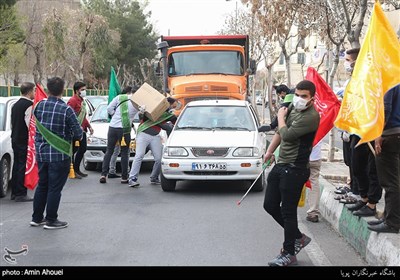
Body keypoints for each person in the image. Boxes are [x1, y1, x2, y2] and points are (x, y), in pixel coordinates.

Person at [263, 80, 320, 266]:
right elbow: (280, 134)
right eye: (297, 95)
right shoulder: (293, 110)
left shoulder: (311, 116)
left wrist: (280, 115)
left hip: (295, 169)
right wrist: (270, 151)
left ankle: (289, 252)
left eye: (304, 96)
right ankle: (298, 237)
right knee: (270, 205)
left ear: (312, 98)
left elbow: (286, 133)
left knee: (288, 212)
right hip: (281, 164)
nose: (299, 99)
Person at [31, 77, 83, 229]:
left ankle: (37, 218)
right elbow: (78, 133)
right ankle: (51, 220)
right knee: (54, 188)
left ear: (48, 89)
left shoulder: (39, 105)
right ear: (62, 90)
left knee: (42, 185)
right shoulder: (66, 109)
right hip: (59, 155)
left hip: (41, 153)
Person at [368, 84, 400, 234]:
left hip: (390, 135)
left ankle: (392, 223)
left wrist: (378, 134)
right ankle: (388, 217)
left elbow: (385, 108)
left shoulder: (391, 80)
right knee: (394, 180)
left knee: (390, 182)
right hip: (396, 135)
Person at [128, 97, 178, 187]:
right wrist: (142, 112)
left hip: (155, 136)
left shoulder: (167, 115)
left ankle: (154, 177)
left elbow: (176, 122)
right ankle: (132, 178)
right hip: (143, 135)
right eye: (172, 105)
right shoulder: (153, 111)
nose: (172, 108)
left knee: (159, 159)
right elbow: (143, 117)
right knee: (139, 155)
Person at [99, 89, 139, 184]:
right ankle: (124, 177)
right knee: (125, 153)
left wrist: (115, 116)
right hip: (124, 130)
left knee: (109, 151)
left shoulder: (119, 97)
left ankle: (103, 174)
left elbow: (109, 109)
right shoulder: (137, 103)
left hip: (113, 127)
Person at [10, 82, 36, 202]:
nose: (35, 93)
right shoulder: (29, 105)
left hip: (15, 138)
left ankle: (14, 192)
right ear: (30, 91)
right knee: (22, 166)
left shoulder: (15, 105)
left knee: (16, 165)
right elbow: (29, 125)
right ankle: (21, 193)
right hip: (23, 139)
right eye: (34, 91)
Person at [67, 81, 93, 178]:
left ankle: (77, 168)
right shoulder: (72, 101)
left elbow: (83, 117)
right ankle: (72, 170)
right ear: (77, 91)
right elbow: (70, 116)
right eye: (82, 90)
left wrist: (89, 126)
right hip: (74, 131)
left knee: (83, 149)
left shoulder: (82, 101)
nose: (84, 91)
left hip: (82, 130)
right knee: (73, 150)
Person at [306, 142, 322, 222]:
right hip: (315, 156)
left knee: (294, 180)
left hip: (299, 155)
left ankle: (289, 209)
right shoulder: (319, 128)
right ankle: (313, 212)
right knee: (314, 181)